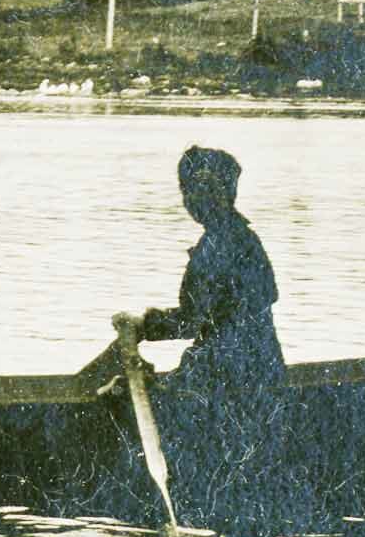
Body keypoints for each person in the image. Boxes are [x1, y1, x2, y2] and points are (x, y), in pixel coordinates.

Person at [117, 145, 287, 386]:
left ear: (225, 194)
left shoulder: (218, 247)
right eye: (187, 191)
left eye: (203, 190)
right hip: (259, 370)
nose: (192, 200)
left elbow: (191, 323)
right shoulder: (242, 238)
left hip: (231, 377)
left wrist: (142, 326)